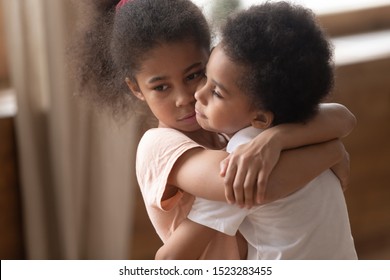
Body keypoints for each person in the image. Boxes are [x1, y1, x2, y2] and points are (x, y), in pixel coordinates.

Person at [70, 0, 356, 259]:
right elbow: (253, 186)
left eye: (195, 75)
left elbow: (343, 118)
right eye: (161, 87)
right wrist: (329, 150)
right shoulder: (157, 146)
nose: (187, 97)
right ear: (135, 88)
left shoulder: (225, 125)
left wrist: (276, 139)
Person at [155, 2, 357, 260]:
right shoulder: (308, 129)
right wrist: (334, 149)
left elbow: (169, 260)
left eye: (216, 92)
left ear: (260, 118)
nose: (198, 94)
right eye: (204, 76)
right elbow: (343, 116)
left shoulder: (244, 161)